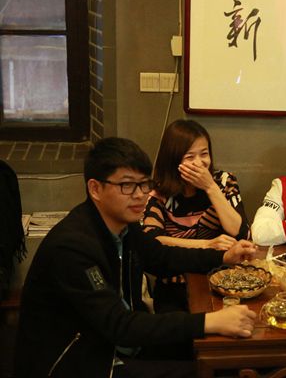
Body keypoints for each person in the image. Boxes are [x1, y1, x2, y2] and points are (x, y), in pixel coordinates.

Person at [15, 137, 257, 378]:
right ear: (95, 189)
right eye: (127, 186)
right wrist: (209, 321)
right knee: (207, 371)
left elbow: (161, 257)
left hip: (118, 344)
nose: (140, 194)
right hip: (80, 362)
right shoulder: (73, 247)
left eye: (144, 184)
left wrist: (224, 256)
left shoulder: (123, 225)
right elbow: (119, 325)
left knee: (222, 360)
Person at [143, 120, 250, 320]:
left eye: (204, 154)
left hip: (223, 281)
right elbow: (152, 241)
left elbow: (240, 232)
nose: (200, 163)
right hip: (174, 286)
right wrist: (207, 244)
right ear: (173, 159)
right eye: (190, 157)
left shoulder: (224, 181)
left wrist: (210, 187)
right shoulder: (158, 191)